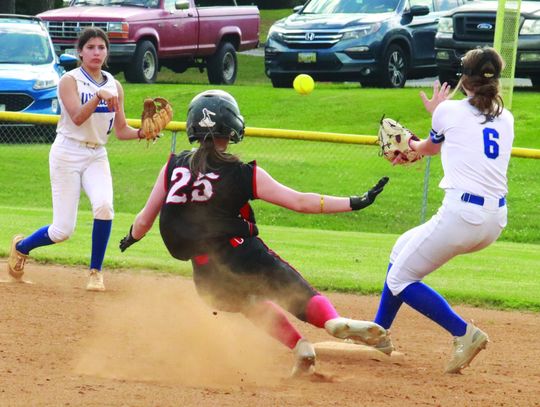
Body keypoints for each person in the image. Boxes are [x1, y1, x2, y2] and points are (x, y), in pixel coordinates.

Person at [119, 89, 391, 376]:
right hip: (241, 252)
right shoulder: (241, 172)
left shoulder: (173, 168)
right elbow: (300, 201)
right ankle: (331, 321)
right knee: (294, 291)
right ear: (233, 126)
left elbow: (144, 220)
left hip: (206, 275)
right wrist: (354, 202)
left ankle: (300, 348)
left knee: (250, 304)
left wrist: (131, 238)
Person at [371, 47, 513, 373]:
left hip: (462, 215)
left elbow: (427, 149)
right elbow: (452, 142)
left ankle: (464, 332)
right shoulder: (507, 117)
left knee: (400, 279)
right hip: (494, 221)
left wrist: (410, 143)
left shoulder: (448, 112)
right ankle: (378, 333)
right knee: (401, 249)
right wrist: (438, 117)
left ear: (464, 78)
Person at [6, 27, 147, 292]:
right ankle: (21, 247)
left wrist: (143, 133)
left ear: (107, 53)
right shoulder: (69, 80)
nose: (96, 52)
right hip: (67, 153)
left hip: (97, 154)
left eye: (101, 47)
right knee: (62, 231)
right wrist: (97, 97)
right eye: (90, 47)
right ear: (80, 52)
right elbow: (78, 117)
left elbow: (121, 130)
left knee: (104, 207)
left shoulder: (114, 85)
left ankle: (95, 272)